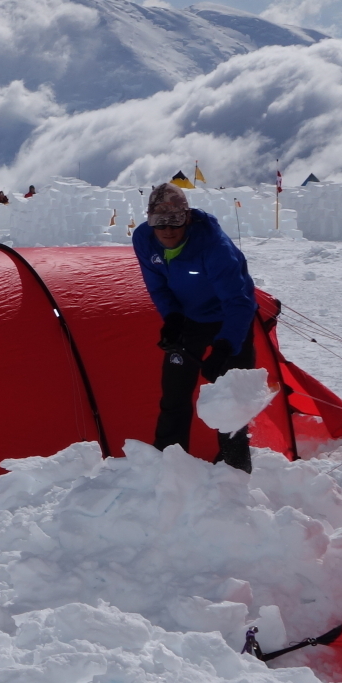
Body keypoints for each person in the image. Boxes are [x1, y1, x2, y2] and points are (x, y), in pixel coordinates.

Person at [133, 182, 256, 471]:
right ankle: (168, 466)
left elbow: (239, 302)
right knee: (174, 396)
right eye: (159, 223)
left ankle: (233, 471)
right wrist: (173, 318)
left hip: (230, 319)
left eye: (175, 222)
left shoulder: (213, 247)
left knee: (229, 403)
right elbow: (157, 287)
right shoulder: (143, 239)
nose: (167, 230)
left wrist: (225, 346)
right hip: (189, 320)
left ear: (187, 218)